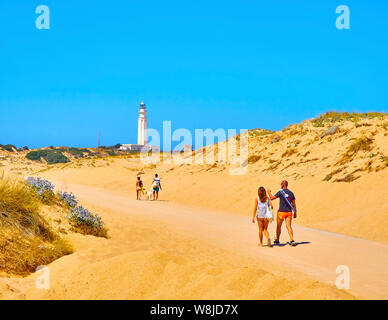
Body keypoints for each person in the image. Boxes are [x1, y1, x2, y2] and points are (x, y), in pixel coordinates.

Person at [268, 180, 297, 246]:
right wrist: (295, 212)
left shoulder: (280, 192)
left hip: (281, 212)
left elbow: (271, 198)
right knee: (289, 226)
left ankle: (277, 240)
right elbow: (294, 204)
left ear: (282, 185)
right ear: (287, 185)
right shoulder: (291, 193)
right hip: (289, 212)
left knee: (279, 226)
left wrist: (269, 192)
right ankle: (292, 239)